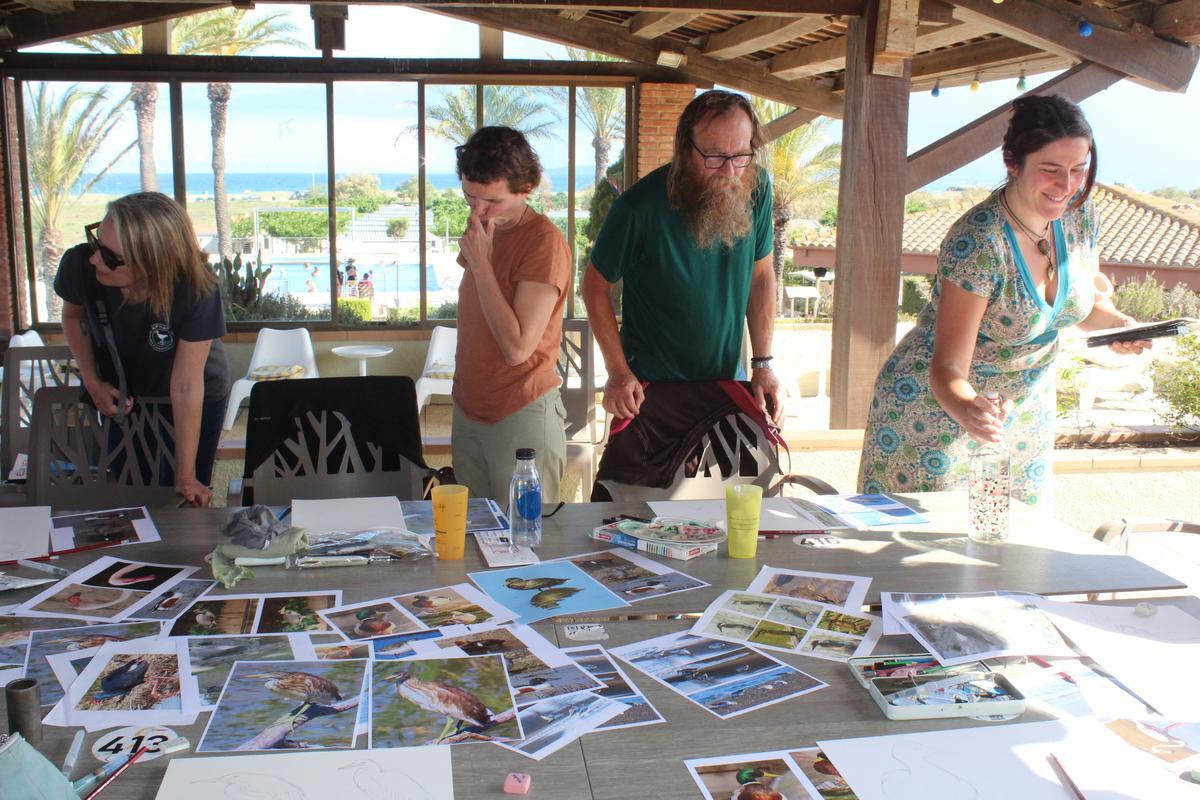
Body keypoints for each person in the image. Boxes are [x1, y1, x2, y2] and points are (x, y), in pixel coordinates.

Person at [858, 95, 1150, 506]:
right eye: (1050, 170)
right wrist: (970, 410)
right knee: (925, 543)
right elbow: (947, 368)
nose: (1066, 186)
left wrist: (1119, 326)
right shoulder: (978, 241)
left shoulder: (1081, 217)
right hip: (935, 411)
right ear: (1012, 162)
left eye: (1078, 170)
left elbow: (1078, 309)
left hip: (1024, 411)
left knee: (1012, 547)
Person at [582, 89, 782, 423]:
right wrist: (617, 372)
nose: (730, 172)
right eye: (715, 157)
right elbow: (594, 286)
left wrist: (763, 366)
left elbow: (760, 276)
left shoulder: (757, 188)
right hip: (648, 393)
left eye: (741, 156)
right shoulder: (637, 208)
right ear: (685, 149)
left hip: (726, 386)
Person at [54, 191, 230, 506]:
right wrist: (92, 381)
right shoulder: (80, 266)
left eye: (109, 256)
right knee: (128, 494)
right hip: (124, 392)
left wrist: (186, 475)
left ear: (153, 263)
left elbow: (187, 385)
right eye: (96, 243)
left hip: (192, 393)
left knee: (183, 497)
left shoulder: (197, 287)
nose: (95, 258)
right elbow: (73, 316)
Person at [450, 126, 571, 504]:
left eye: (493, 202)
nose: (479, 211)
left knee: (527, 546)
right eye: (470, 197)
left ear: (526, 189)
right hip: (470, 408)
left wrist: (482, 264)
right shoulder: (485, 226)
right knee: (475, 542)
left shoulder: (543, 242)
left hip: (521, 411)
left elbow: (518, 348)